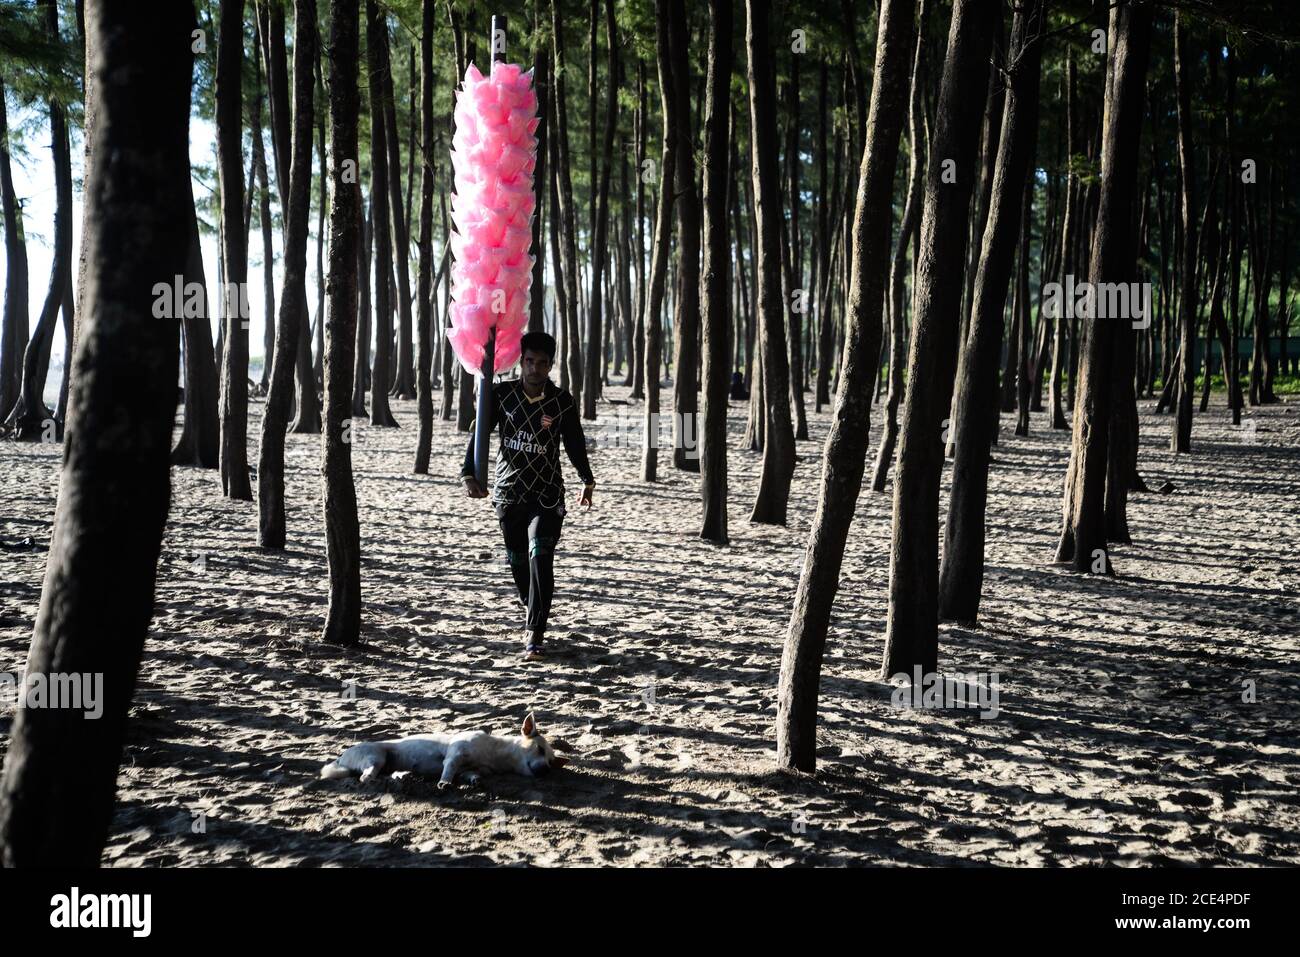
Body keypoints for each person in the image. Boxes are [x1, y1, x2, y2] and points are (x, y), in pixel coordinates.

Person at [462, 331, 595, 660]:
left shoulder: (562, 401)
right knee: (518, 561)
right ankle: (532, 603)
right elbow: (479, 433)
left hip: (548, 495)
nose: (535, 368)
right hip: (508, 494)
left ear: (551, 365)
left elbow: (575, 442)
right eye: (530, 361)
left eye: (542, 363)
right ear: (521, 361)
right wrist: (470, 474)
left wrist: (587, 479)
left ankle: (534, 634)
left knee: (540, 554)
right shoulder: (500, 394)